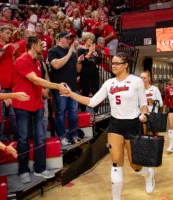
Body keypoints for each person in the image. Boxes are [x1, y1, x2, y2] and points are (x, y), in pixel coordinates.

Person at [60, 52, 155, 198]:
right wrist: (71, 94)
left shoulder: (136, 81)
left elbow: (143, 104)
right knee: (116, 164)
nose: (113, 66)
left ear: (125, 65)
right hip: (115, 125)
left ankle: (148, 175)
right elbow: (92, 102)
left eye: (117, 63)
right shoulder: (109, 83)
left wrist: (144, 114)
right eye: (113, 63)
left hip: (133, 125)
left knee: (135, 166)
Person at [12, 36, 68, 183]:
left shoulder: (37, 62)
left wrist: (41, 102)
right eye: (39, 45)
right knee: (23, 139)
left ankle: (40, 168)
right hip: (22, 105)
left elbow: (37, 85)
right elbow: (35, 80)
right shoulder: (21, 60)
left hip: (36, 104)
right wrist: (56, 86)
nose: (42, 47)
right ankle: (23, 170)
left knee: (40, 137)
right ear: (33, 46)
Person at [48, 31, 84, 145]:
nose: (69, 40)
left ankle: (73, 134)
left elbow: (78, 70)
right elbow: (56, 65)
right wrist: (69, 53)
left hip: (72, 87)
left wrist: (79, 61)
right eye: (67, 38)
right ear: (59, 39)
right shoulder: (53, 51)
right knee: (61, 112)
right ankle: (62, 136)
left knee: (73, 112)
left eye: (70, 38)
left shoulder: (73, 53)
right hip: (60, 88)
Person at [77, 32, 99, 113]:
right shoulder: (81, 50)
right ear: (86, 40)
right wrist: (90, 52)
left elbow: (98, 61)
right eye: (90, 40)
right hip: (84, 72)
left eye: (93, 40)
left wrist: (95, 53)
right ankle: (83, 109)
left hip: (94, 71)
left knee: (95, 90)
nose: (92, 41)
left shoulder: (93, 49)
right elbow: (83, 62)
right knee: (85, 91)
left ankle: (96, 110)